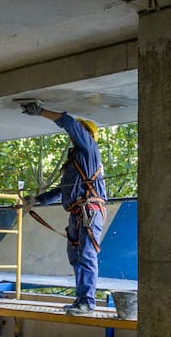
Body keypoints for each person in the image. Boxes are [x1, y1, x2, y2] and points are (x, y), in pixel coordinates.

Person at [20, 101, 107, 316]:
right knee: (76, 256)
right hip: (78, 213)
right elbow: (62, 191)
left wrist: (41, 112)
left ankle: (88, 302)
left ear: (87, 134)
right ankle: (81, 301)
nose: (73, 135)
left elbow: (69, 123)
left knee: (86, 255)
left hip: (90, 211)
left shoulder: (88, 149)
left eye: (79, 131)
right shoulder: (76, 162)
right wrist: (36, 201)